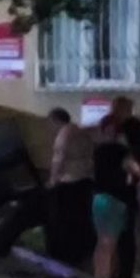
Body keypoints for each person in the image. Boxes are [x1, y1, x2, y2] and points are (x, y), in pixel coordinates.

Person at [91, 116, 140, 278]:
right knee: (109, 246)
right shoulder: (123, 151)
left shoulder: (98, 150)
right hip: (116, 200)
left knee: (101, 244)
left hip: (99, 198)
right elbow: (136, 171)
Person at [46, 108, 95, 266]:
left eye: (50, 122)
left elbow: (58, 159)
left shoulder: (63, 134)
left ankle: (64, 253)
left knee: (65, 221)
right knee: (81, 219)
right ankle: (82, 252)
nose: (49, 127)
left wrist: (52, 180)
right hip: (85, 180)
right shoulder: (81, 132)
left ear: (55, 120)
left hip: (68, 182)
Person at [112, 96, 140, 278]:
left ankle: (132, 272)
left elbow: (134, 158)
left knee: (131, 232)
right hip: (129, 187)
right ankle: (130, 271)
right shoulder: (133, 127)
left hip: (129, 187)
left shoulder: (130, 128)